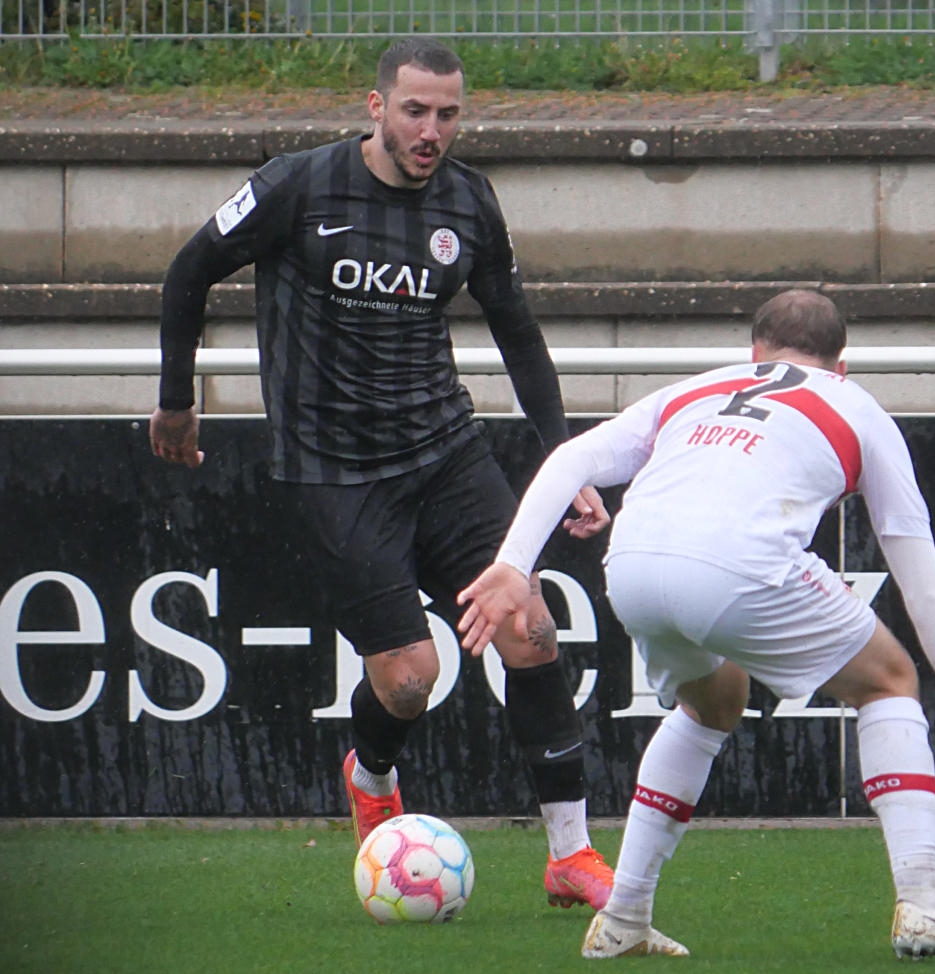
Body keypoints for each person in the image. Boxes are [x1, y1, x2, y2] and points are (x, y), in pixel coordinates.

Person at [150, 37, 615, 911]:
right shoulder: (298, 186)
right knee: (409, 679)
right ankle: (370, 775)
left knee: (530, 629)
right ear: (377, 108)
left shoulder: (469, 201)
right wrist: (177, 401)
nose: (431, 130)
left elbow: (517, 332)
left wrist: (568, 460)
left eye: (448, 114)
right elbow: (189, 271)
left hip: (445, 454)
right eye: (414, 110)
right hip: (335, 472)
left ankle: (570, 855)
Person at [456, 289, 935, 960]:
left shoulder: (696, 388)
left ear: (755, 352)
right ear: (841, 365)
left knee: (714, 700)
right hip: (739, 563)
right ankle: (922, 900)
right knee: (890, 680)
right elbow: (924, 587)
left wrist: (514, 563)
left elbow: (572, 458)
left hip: (632, 562)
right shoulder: (858, 408)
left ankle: (624, 917)